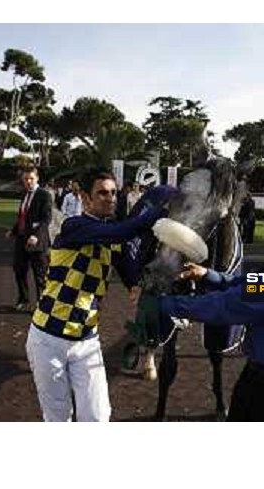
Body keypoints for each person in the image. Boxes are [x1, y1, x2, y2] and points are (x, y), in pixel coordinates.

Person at [137, 187, 264, 422]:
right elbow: (245, 285)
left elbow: (229, 305)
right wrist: (207, 275)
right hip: (260, 380)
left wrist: (164, 304)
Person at [26, 169, 176, 422]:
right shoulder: (75, 226)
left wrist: (135, 286)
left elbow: (129, 266)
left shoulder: (112, 238)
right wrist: (164, 210)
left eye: (114, 193)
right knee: (58, 418)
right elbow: (122, 232)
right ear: (85, 198)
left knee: (98, 417)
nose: (110, 198)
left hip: (86, 340)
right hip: (48, 339)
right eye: (102, 193)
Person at [6, 167, 53, 311]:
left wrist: (35, 235)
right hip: (21, 239)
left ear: (37, 178)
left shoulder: (44, 195)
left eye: (31, 178)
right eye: (26, 179)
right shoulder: (24, 194)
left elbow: (46, 219)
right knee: (19, 270)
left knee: (39, 274)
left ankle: (41, 304)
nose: (28, 181)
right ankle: (23, 299)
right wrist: (13, 230)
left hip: (37, 241)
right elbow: (23, 216)